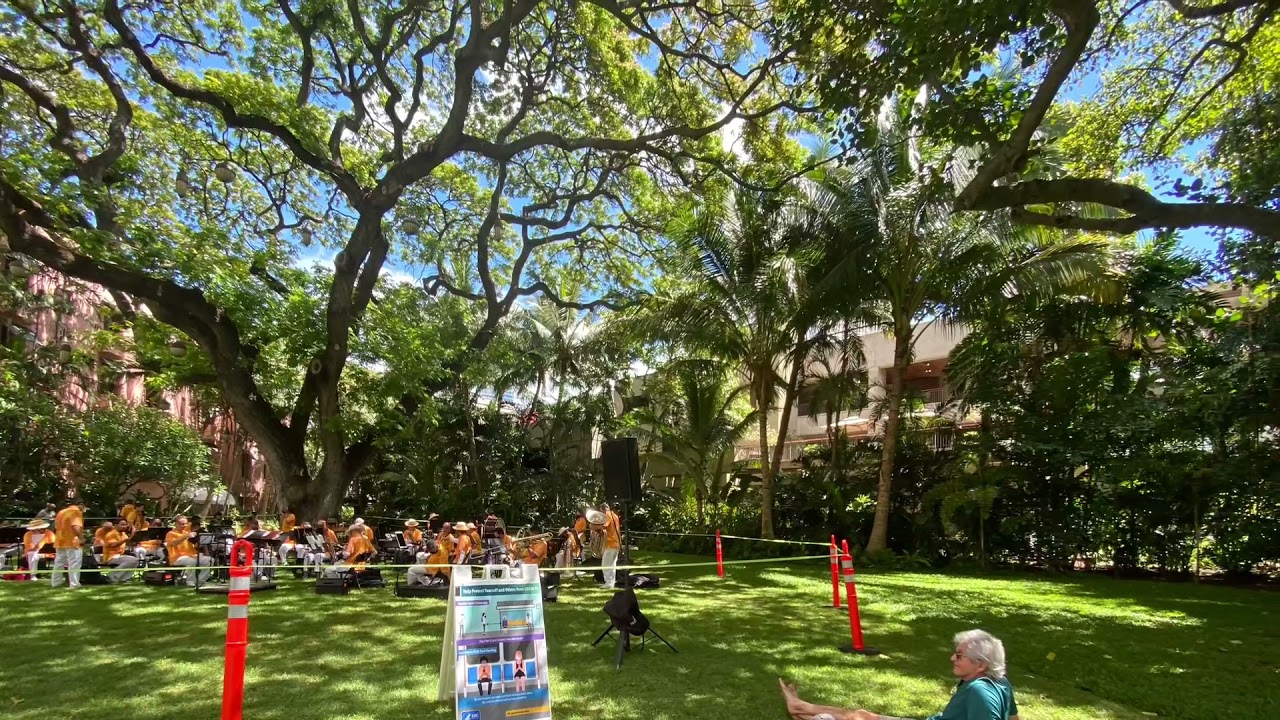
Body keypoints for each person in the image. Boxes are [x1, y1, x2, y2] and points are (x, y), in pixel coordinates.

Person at [779, 630, 1020, 720]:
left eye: (959, 656)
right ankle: (802, 707)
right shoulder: (1001, 682)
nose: (952, 659)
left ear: (980, 665)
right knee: (862, 716)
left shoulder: (979, 691)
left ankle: (801, 709)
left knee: (857, 718)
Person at [166, 516, 213, 587]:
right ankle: (190, 581)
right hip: (177, 557)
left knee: (210, 560)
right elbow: (174, 543)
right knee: (191, 561)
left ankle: (200, 581)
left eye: (186, 523)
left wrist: (201, 542)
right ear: (176, 524)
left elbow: (194, 546)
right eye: (182, 524)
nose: (184, 525)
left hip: (192, 555)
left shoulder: (187, 532)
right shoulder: (171, 533)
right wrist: (186, 536)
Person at [51, 498, 86, 589]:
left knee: (58, 563)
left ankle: (55, 583)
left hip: (60, 540)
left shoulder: (61, 512)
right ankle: (74, 584)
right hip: (72, 540)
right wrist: (81, 538)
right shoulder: (76, 512)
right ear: (80, 505)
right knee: (74, 563)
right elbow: (75, 526)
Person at [599, 503, 622, 588]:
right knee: (612, 564)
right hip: (616, 542)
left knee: (605, 564)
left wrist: (594, 526)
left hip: (611, 542)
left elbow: (605, 525)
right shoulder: (614, 515)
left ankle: (608, 582)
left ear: (604, 509)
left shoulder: (607, 515)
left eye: (601, 512)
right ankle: (611, 582)